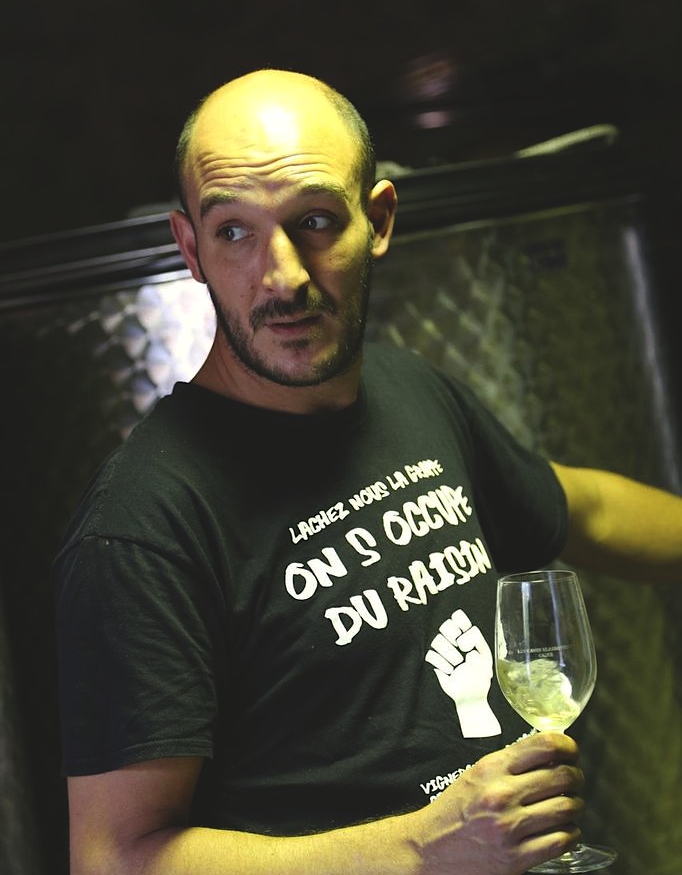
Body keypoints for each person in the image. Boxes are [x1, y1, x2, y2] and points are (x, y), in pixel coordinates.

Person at [54, 68, 682, 875]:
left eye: (314, 220)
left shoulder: (406, 387)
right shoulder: (142, 525)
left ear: (378, 220)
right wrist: (426, 845)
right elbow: (113, 858)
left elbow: (582, 508)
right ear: (191, 249)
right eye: (234, 232)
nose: (282, 275)